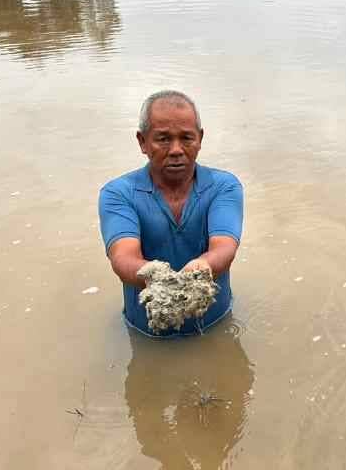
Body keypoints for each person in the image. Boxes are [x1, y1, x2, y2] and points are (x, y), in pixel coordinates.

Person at [98, 90, 244, 337]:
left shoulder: (224, 186)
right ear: (142, 142)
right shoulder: (118, 194)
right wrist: (157, 277)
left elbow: (225, 248)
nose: (176, 149)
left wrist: (202, 266)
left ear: (200, 138)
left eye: (186, 138)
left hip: (214, 326)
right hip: (147, 331)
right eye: (163, 139)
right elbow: (122, 257)